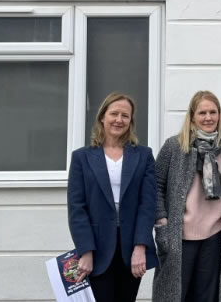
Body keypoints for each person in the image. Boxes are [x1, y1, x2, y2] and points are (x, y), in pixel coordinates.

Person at [67, 92, 158, 302]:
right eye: (114, 114)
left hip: (131, 249)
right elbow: (76, 208)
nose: (119, 120)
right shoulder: (81, 157)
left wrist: (140, 246)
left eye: (125, 116)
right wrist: (86, 250)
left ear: (130, 121)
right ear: (102, 117)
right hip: (97, 249)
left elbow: (147, 204)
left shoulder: (143, 155)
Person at [152, 91, 221, 302]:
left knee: (206, 297)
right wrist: (162, 224)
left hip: (215, 236)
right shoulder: (174, 146)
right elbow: (155, 186)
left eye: (212, 112)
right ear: (192, 116)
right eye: (202, 112)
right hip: (179, 236)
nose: (208, 117)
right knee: (174, 296)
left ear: (219, 115)